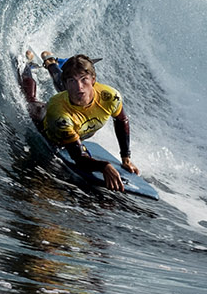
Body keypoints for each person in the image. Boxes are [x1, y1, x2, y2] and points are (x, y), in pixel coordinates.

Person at [18, 51, 140, 192]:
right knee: (31, 102)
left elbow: (121, 120)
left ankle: (50, 62)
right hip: (51, 128)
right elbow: (78, 158)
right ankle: (26, 65)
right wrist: (104, 166)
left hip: (79, 128)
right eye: (72, 81)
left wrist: (125, 157)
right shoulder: (59, 115)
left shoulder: (110, 97)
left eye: (84, 79)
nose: (79, 86)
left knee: (71, 89)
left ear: (93, 80)